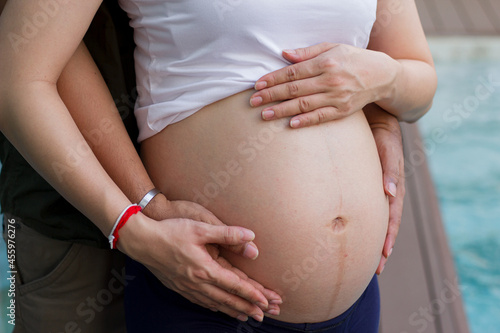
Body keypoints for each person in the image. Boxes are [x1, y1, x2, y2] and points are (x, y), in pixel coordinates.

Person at [0, 0, 434, 332]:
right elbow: (16, 77)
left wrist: (383, 82)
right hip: (205, 290)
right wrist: (131, 225)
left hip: (355, 305)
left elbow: (418, 77)